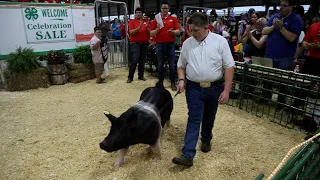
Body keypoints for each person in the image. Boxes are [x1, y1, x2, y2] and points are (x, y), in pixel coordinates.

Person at [172, 12, 235, 166]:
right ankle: (187, 154)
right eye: (190, 30)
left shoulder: (220, 42)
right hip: (193, 87)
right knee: (194, 117)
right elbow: (181, 65)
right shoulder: (187, 43)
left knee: (209, 116)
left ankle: (206, 138)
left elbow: (229, 67)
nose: (191, 33)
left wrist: (226, 90)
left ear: (206, 28)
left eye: (195, 30)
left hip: (214, 87)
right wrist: (181, 80)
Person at [149, 1, 181, 91]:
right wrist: (158, 28)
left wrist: (172, 32)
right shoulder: (156, 20)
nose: (164, 10)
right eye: (163, 8)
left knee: (172, 65)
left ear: (169, 9)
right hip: (159, 44)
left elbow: (178, 31)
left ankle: (173, 83)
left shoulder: (173, 19)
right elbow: (151, 32)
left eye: (166, 8)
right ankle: (161, 83)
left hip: (170, 44)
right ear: (161, 9)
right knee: (160, 65)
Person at [126, 7, 150, 83]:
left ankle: (141, 76)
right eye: (137, 12)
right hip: (135, 44)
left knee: (142, 61)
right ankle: (130, 77)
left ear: (142, 14)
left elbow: (149, 32)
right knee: (135, 59)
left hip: (144, 43)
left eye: (140, 12)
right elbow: (131, 32)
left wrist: (146, 28)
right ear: (135, 14)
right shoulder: (132, 22)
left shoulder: (146, 22)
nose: (138, 14)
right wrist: (139, 28)